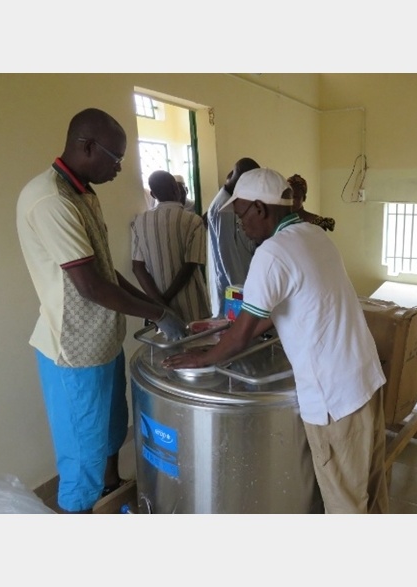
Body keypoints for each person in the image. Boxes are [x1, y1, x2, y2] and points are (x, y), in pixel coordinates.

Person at [163, 168, 389, 514]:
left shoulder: (271, 253)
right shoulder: (314, 235)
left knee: (345, 503)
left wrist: (204, 357)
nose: (241, 226)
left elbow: (240, 339)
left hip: (336, 400)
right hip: (366, 381)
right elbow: (292, 303)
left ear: (259, 208)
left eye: (241, 217)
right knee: (371, 491)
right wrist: (236, 328)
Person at [16, 107, 184, 513]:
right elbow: (90, 286)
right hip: (73, 352)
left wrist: (155, 306)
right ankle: (80, 510)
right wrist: (159, 315)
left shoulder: (82, 193)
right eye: (116, 157)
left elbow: (105, 271)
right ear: (87, 146)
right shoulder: (50, 200)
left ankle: (112, 490)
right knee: (83, 455)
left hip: (103, 341)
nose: (120, 168)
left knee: (111, 433)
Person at [131, 170, 211, 324]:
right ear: (177, 189)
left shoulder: (139, 222)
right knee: (197, 344)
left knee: (167, 344)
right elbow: (191, 265)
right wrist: (166, 300)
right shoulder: (193, 221)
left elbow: (137, 268)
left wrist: (159, 303)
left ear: (153, 195)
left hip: (159, 307)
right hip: (191, 303)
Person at [205, 158, 260, 317]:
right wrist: (243, 292)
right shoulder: (223, 208)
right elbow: (227, 256)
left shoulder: (231, 202)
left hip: (240, 285)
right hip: (234, 290)